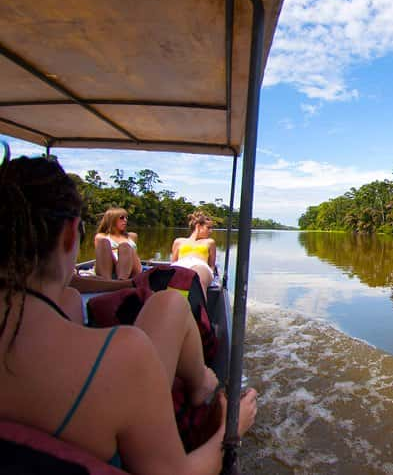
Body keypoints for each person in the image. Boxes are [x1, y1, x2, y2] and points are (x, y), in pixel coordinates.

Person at [0, 155, 257, 474]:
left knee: (84, 299)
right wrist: (230, 433)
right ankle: (203, 381)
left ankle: (201, 380)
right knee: (170, 304)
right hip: (105, 440)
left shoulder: (63, 299)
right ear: (69, 235)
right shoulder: (124, 354)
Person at [171, 211, 217, 294]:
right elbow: (174, 262)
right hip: (180, 265)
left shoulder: (209, 242)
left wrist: (209, 275)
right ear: (198, 226)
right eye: (208, 228)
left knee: (197, 276)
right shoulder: (179, 241)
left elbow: (211, 265)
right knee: (175, 274)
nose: (211, 231)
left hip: (200, 266)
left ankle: (198, 304)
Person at [94, 207, 142, 280]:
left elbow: (135, 255)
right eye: (122, 218)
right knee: (103, 242)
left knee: (125, 246)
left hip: (130, 267)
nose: (125, 220)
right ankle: (107, 281)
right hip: (109, 267)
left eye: (126, 217)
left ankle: (121, 280)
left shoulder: (132, 236)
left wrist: (123, 251)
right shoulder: (101, 237)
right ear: (112, 219)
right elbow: (101, 256)